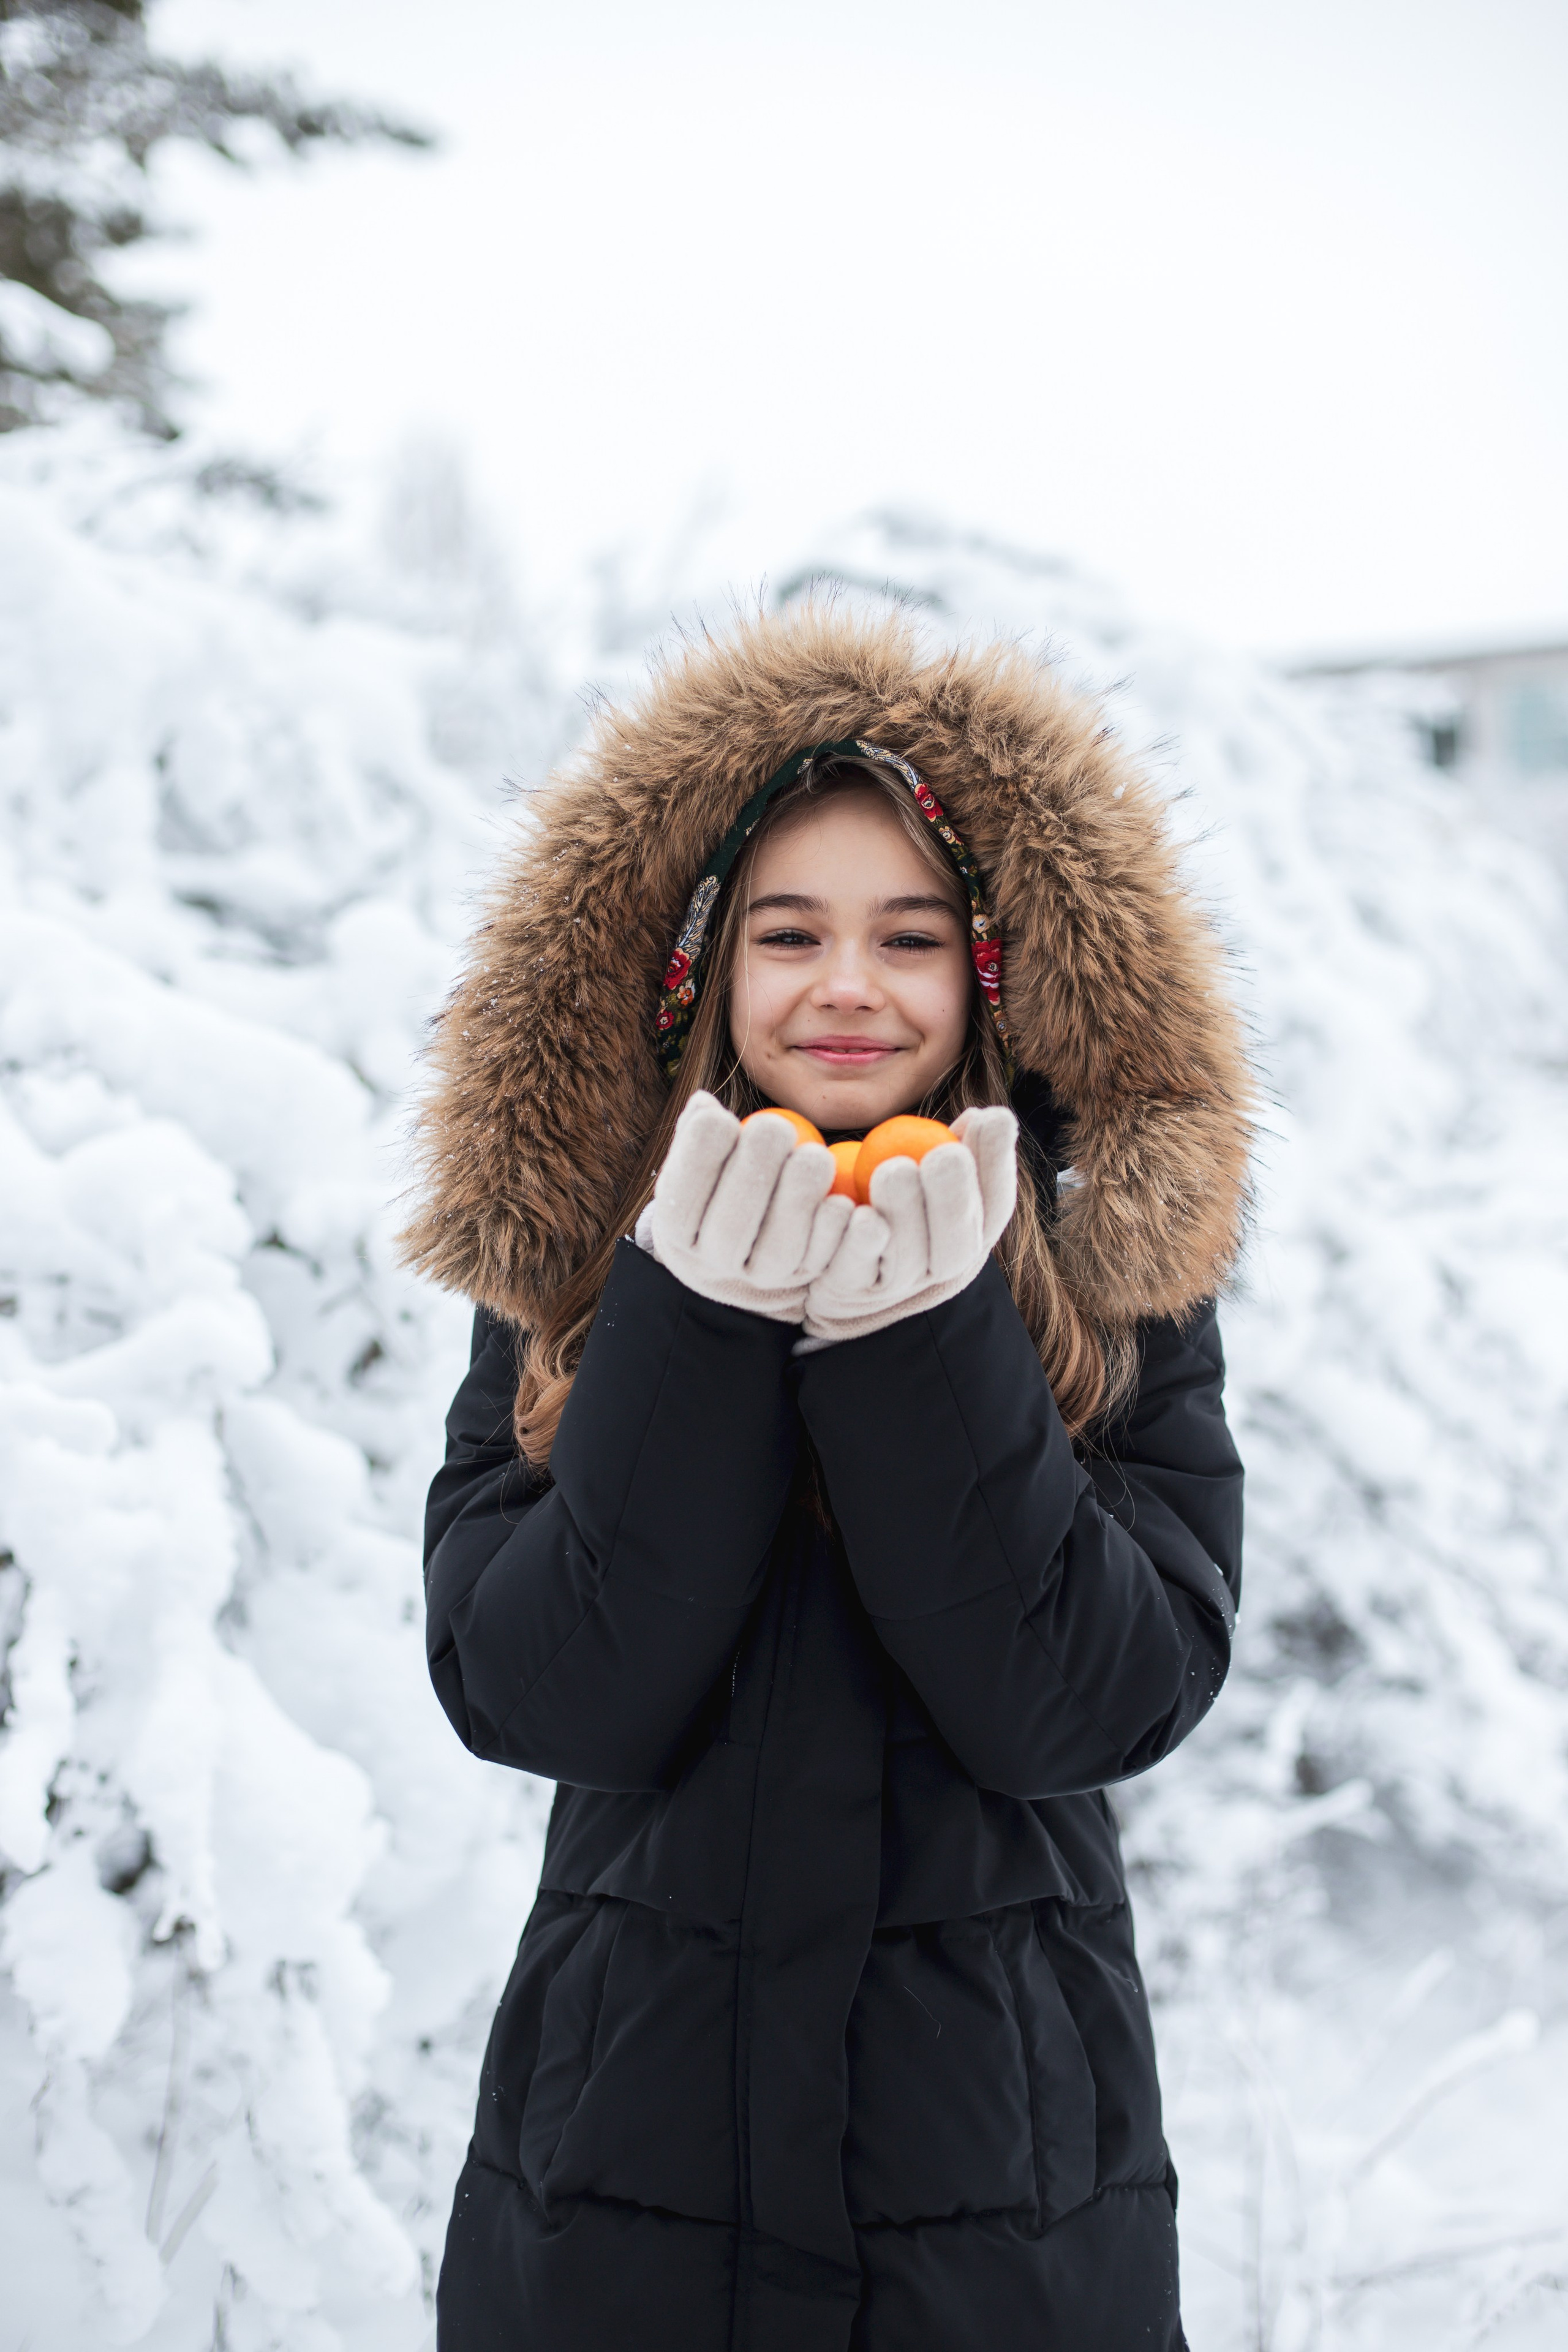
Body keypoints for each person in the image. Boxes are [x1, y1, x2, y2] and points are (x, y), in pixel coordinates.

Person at [401, 601, 1251, 2352]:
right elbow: (539, 1693)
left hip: (1005, 2213)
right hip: (618, 2193)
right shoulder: (583, 1273)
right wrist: (693, 1325)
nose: (846, 985)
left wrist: (930, 1344)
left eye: (909, 937)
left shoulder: (1113, 1281)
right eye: (788, 933)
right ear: (703, 969)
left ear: (988, 973)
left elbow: (1091, 1705)